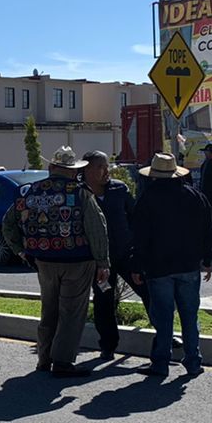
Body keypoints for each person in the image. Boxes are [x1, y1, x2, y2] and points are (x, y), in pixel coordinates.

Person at [2, 146, 110, 377]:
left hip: (43, 261)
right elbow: (96, 228)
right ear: (72, 171)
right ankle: (62, 362)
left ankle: (44, 359)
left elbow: (8, 224)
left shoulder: (29, 192)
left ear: (51, 168)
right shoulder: (81, 193)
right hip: (78, 262)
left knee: (48, 309)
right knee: (71, 312)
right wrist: (103, 262)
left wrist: (21, 251)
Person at [130, 153, 212, 378]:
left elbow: (140, 237)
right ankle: (193, 361)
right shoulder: (195, 196)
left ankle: (160, 363)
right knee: (189, 315)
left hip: (158, 268)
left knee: (163, 317)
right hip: (189, 266)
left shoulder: (147, 199)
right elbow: (208, 230)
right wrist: (207, 259)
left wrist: (137, 266)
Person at [82, 150, 146, 361]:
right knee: (103, 302)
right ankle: (108, 345)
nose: (106, 171)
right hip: (100, 261)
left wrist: (137, 247)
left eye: (107, 166)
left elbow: (136, 218)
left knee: (148, 291)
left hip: (126, 255)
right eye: (100, 166)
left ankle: (165, 335)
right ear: (86, 169)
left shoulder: (119, 189)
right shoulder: (80, 193)